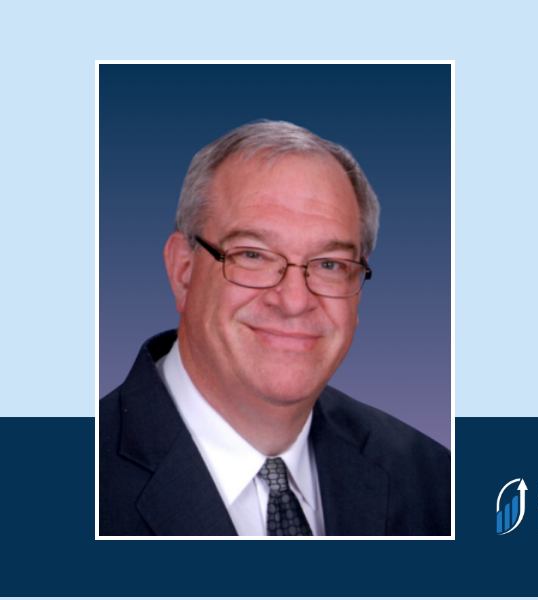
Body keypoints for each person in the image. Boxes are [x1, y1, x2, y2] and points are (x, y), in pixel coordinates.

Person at [99, 120, 450, 536]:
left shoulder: (433, 482)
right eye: (253, 255)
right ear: (183, 272)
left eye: (330, 264)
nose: (294, 300)